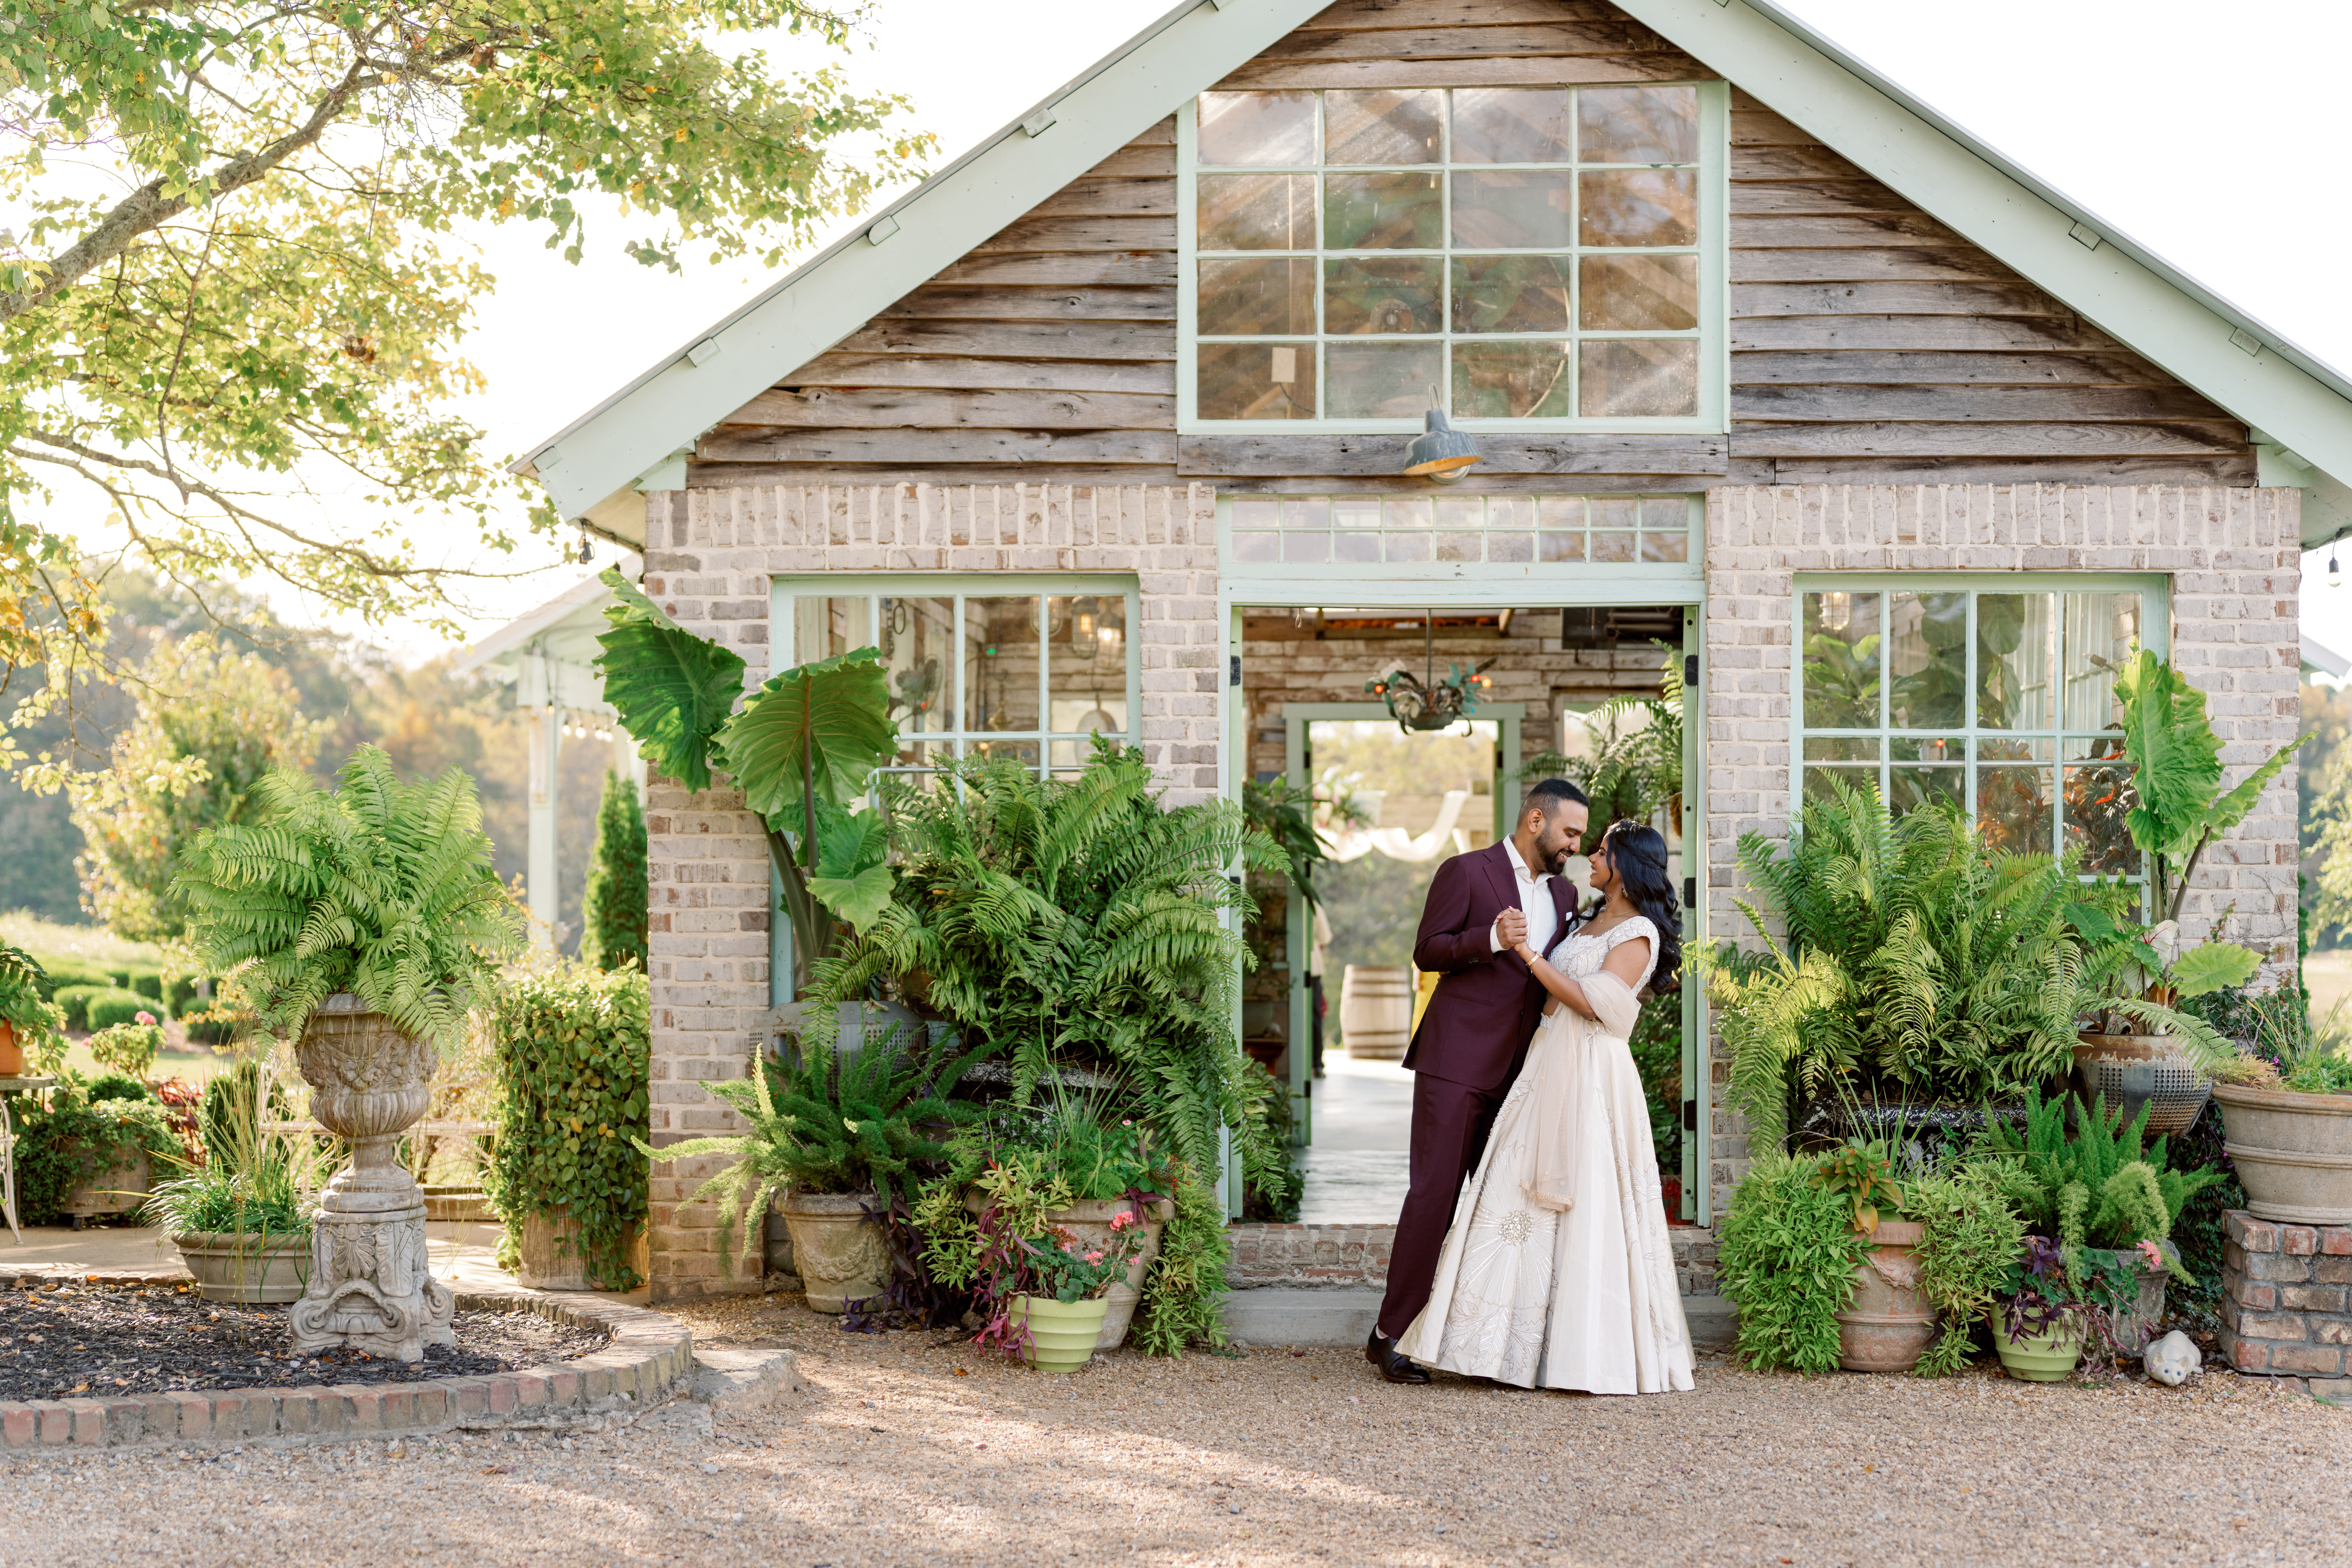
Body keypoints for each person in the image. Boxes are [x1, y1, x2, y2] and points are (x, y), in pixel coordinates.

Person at [1393, 819, 1694, 1395]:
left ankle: (1581, 1352)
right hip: (1545, 1063)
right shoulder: (1584, 914)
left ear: (1628, 865)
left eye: (1603, 849)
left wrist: (1528, 954)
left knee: (1586, 1201)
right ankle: (1497, 1346)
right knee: (1512, 1196)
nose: (1590, 856)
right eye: (1587, 841)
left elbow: (1597, 1001)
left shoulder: (1638, 933)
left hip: (1592, 1075)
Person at [1365, 778, 1589, 1386]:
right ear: (1536, 820)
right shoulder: (1465, 871)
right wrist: (1489, 939)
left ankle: (1480, 1344)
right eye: (1570, 832)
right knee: (1435, 1199)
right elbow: (1428, 951)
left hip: (1522, 1071)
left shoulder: (1567, 893)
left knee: (1500, 1208)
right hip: (1455, 1063)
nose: (1576, 845)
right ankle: (1390, 1333)